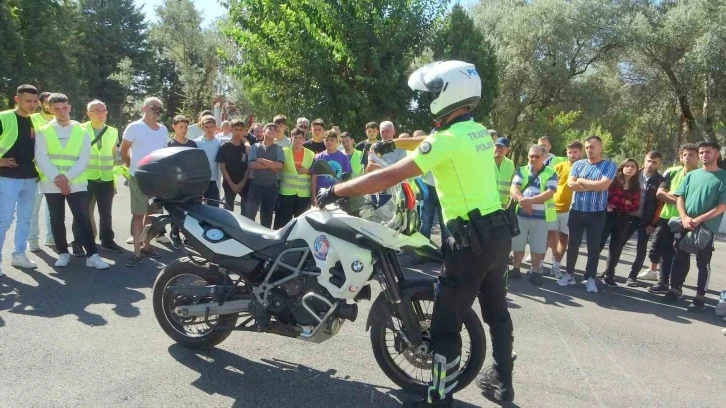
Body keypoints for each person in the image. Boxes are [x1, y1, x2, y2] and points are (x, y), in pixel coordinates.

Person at [317, 60, 514, 407]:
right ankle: (503, 381)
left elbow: (389, 176)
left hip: (470, 242)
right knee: (497, 310)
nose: (431, 99)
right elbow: (425, 141)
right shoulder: (479, 132)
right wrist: (389, 145)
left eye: (435, 93)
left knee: (445, 323)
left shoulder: (446, 140)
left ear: (449, 94)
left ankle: (439, 398)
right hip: (498, 234)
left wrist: (337, 191)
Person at [35, 93, 109, 269]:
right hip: (52, 183)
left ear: (69, 108)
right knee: (56, 218)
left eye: (64, 108)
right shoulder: (44, 130)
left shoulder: (81, 130)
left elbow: (84, 158)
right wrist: (59, 180)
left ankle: (92, 255)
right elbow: (41, 158)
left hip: (75, 182)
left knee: (83, 217)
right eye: (57, 109)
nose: (61, 112)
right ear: (50, 109)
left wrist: (66, 178)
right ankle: (62, 253)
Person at [663, 141, 726, 312]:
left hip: (706, 228)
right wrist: (683, 217)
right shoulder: (692, 175)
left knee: (703, 263)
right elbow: (680, 197)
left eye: (708, 152)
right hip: (685, 224)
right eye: (702, 152)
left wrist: (698, 220)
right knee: (680, 258)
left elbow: (721, 206)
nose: (704, 155)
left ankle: (699, 298)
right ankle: (674, 290)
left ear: (717, 154)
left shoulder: (723, 177)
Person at [556, 136, 616, 293]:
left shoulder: (608, 166)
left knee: (593, 247)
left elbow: (603, 185)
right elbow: (570, 184)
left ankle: (590, 278)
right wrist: (592, 186)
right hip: (576, 211)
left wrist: (581, 181)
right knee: (573, 244)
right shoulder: (578, 164)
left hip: (596, 213)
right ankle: (569, 274)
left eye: (593, 147)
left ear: (600, 148)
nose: (590, 150)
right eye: (587, 147)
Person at [70, 99, 123, 256]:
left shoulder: (113, 131)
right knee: (82, 212)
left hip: (106, 177)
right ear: (88, 113)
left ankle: (107, 241)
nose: (101, 114)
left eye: (103, 110)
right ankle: (78, 242)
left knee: (106, 212)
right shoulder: (79, 129)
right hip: (85, 178)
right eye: (97, 110)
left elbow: (113, 153)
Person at [120, 97, 169, 266]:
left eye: (159, 107)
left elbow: (163, 153)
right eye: (153, 106)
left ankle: (147, 246)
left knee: (153, 215)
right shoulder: (134, 127)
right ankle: (137, 252)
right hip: (138, 177)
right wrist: (132, 166)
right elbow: (124, 151)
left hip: (157, 179)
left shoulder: (163, 130)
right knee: (138, 215)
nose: (156, 109)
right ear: (144, 108)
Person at [0, 84, 42, 275]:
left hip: (30, 177)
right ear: (17, 99)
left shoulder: (36, 122)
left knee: (25, 218)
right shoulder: (4, 117)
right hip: (7, 177)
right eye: (28, 101)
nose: (33, 105)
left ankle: (19, 255)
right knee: (4, 219)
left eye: (35, 101)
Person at [647, 144, 700, 294]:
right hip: (666, 217)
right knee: (665, 251)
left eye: (691, 155)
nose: (687, 158)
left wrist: (674, 198)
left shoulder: (701, 176)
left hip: (687, 220)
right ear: (680, 157)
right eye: (684, 155)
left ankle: (677, 287)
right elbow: (660, 194)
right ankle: (663, 282)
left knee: (682, 254)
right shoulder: (672, 172)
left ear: (697, 157)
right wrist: (681, 200)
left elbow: (695, 201)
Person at [509, 145, 558, 285]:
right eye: (531, 156)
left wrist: (529, 201)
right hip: (521, 216)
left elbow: (550, 192)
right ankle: (516, 268)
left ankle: (535, 271)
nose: (533, 159)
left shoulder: (551, 173)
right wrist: (524, 202)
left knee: (538, 246)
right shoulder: (521, 170)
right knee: (518, 244)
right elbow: (514, 188)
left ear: (543, 157)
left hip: (541, 217)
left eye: (537, 156)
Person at [596, 159, 641, 287]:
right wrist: (625, 202)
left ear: (636, 170)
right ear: (622, 167)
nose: (630, 168)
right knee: (599, 243)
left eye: (633, 167)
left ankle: (609, 276)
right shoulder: (614, 181)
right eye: (627, 166)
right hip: (608, 216)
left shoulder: (636, 186)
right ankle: (590, 272)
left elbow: (634, 206)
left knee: (616, 248)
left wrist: (621, 203)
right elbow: (609, 198)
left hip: (624, 219)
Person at [625, 151, 664, 286]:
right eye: (648, 161)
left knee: (641, 250)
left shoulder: (660, 181)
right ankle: (609, 271)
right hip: (628, 216)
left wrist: (653, 223)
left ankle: (632, 276)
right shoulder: (634, 174)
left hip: (646, 220)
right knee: (617, 244)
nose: (650, 164)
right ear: (644, 160)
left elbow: (660, 205)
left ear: (659, 164)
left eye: (654, 162)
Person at [549, 141, 583, 279]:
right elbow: (549, 185)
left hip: (570, 209)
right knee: (548, 236)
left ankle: (556, 266)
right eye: (569, 152)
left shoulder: (584, 168)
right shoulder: (558, 166)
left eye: (575, 152)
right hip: (553, 207)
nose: (572, 155)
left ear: (580, 153)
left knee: (564, 238)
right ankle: (538, 265)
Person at [28, 91, 55, 250]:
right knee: (33, 209)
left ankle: (51, 238)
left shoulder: (58, 121)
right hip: (35, 172)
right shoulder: (32, 119)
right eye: (47, 102)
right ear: (40, 103)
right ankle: (32, 240)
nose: (50, 106)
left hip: (53, 172)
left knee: (53, 210)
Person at [245, 123, 284, 228]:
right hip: (255, 185)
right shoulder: (255, 146)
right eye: (269, 129)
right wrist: (272, 166)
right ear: (263, 132)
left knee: (267, 216)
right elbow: (252, 164)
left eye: (274, 130)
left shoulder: (278, 148)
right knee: (250, 214)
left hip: (272, 187)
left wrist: (261, 160)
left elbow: (279, 166)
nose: (272, 131)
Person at [275, 127, 314, 228]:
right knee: (283, 223)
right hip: (286, 193)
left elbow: (315, 172)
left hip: (303, 194)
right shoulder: (283, 151)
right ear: (291, 138)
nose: (298, 140)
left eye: (300, 138)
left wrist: (308, 171)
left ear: (304, 139)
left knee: (301, 224)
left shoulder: (311, 154)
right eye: (295, 137)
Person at [365, 121, 407, 206]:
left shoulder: (401, 147)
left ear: (393, 132)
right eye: (382, 132)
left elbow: (399, 169)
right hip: (379, 190)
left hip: (396, 190)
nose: (385, 134)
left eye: (387, 131)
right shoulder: (374, 147)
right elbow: (370, 166)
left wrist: (381, 168)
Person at [217, 119, 250, 213]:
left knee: (246, 210)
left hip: (244, 184)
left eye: (240, 130)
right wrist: (231, 184)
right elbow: (222, 167)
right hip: (229, 184)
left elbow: (249, 166)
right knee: (228, 211)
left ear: (243, 131)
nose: (238, 132)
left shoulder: (246, 147)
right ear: (231, 129)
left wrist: (243, 182)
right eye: (236, 129)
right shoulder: (225, 146)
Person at [311, 130, 352, 202]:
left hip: (338, 194)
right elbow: (314, 177)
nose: (329, 142)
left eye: (332, 140)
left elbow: (347, 178)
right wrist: (313, 197)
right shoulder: (319, 157)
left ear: (336, 141)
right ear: (323, 141)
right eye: (326, 140)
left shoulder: (344, 157)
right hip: (321, 195)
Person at [194, 115, 223, 205]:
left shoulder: (220, 141)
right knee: (197, 208)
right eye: (206, 127)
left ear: (215, 127)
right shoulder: (196, 142)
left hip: (213, 180)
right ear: (202, 127)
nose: (209, 129)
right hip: (199, 180)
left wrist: (246, 144)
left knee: (214, 208)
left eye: (211, 126)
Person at [493, 137, 515, 208]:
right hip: (487, 204)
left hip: (503, 205)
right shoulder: (486, 161)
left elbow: (513, 183)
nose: (498, 149)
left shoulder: (510, 164)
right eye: (497, 146)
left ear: (507, 150)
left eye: (501, 147)